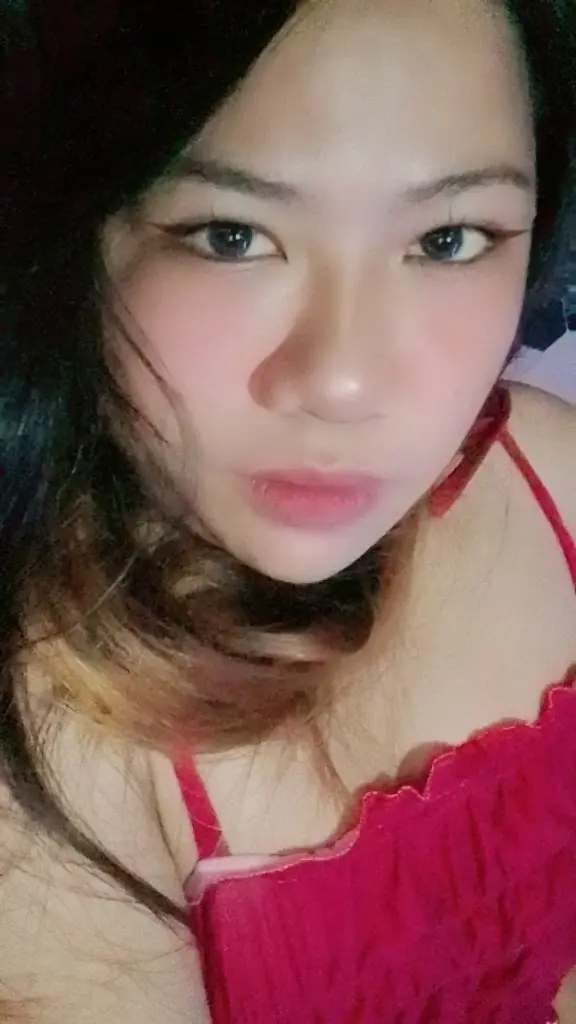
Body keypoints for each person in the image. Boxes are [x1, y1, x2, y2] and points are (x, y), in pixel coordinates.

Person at [0, 0, 575, 1020]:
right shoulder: (51, 751)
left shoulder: (553, 465)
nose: (344, 383)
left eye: (448, 239)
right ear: (82, 238)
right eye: (232, 237)